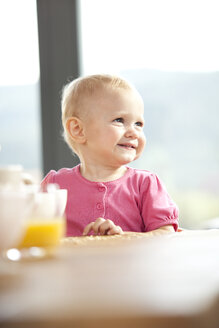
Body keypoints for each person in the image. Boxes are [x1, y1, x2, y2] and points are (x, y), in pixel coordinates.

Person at [41, 74, 179, 237]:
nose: (134, 132)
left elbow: (167, 235)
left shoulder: (146, 184)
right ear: (78, 129)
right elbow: (31, 232)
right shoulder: (54, 185)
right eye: (119, 120)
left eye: (138, 124)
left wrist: (123, 238)